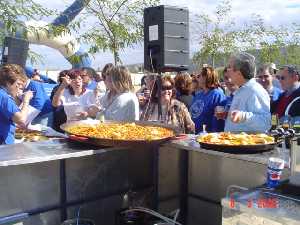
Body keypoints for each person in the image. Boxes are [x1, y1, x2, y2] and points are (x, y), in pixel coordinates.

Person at [224, 52, 271, 132]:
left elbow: (265, 123)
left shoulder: (255, 90)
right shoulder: (242, 89)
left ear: (239, 73)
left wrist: (243, 116)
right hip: (235, 142)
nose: (227, 71)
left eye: (230, 67)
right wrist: (228, 115)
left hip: (247, 144)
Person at [0, 64, 33, 144]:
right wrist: (26, 100)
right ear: (8, 83)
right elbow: (21, 119)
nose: (19, 88)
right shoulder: (4, 97)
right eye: (18, 84)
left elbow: (10, 113)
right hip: (3, 142)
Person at [189, 66, 226, 133]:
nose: (197, 79)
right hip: (195, 135)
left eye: (199, 76)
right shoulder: (199, 95)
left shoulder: (217, 94)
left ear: (205, 77)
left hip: (209, 137)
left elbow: (220, 119)